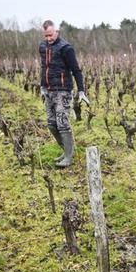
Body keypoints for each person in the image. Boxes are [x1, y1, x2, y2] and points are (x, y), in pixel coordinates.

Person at [39, 19, 89, 168]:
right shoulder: (42, 47)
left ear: (57, 31)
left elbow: (76, 70)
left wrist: (81, 91)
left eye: (51, 35)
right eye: (46, 36)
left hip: (63, 91)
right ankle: (65, 151)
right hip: (48, 90)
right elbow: (43, 68)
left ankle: (69, 156)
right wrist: (42, 86)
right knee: (51, 124)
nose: (49, 38)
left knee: (62, 124)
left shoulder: (66, 48)